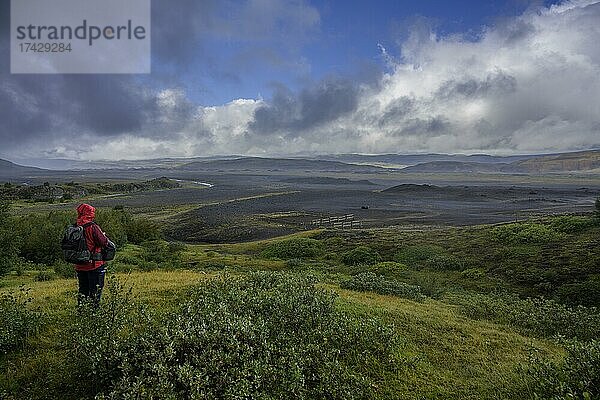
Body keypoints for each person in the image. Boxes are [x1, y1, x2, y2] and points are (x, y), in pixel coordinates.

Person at [74, 203, 109, 305]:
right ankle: (93, 315)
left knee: (83, 290)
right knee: (95, 291)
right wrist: (103, 235)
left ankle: (82, 312)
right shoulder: (92, 227)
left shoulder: (75, 226)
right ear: (90, 213)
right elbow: (103, 242)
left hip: (80, 264)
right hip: (94, 264)